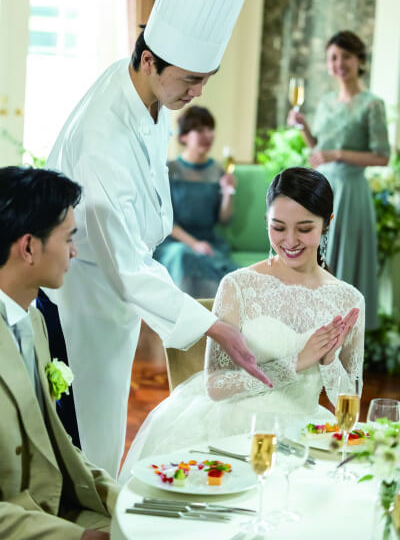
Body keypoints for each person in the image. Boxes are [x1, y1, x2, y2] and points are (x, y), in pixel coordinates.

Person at [41, 0, 271, 478]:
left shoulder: (150, 95)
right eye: (190, 79)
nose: (197, 92)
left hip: (116, 290)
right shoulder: (103, 135)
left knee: (104, 427)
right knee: (86, 436)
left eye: (205, 79)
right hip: (84, 296)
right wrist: (213, 326)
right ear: (149, 60)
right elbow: (124, 262)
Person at [119, 167, 364, 479]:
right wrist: (296, 362)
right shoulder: (238, 286)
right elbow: (216, 386)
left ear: (327, 223)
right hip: (232, 429)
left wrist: (329, 360)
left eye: (304, 229)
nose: (290, 241)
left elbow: (349, 402)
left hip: (303, 435)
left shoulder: (348, 300)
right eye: (278, 227)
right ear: (266, 221)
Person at [0, 166, 119, 540]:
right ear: (29, 247)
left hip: (56, 507)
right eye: (68, 238)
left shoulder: (33, 319)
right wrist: (77, 538)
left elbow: (56, 444)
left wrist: (129, 501)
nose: (74, 251)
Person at [288, 30, 390, 330]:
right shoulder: (326, 102)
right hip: (323, 189)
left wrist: (337, 154)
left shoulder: (372, 104)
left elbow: (382, 157)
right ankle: (317, 327)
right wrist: (304, 128)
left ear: (360, 60)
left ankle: (347, 331)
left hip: (351, 191)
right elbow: (319, 150)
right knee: (320, 254)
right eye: (333, 57)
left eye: (346, 56)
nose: (339, 63)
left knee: (345, 258)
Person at [154, 105, 237, 298]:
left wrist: (228, 193)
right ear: (183, 136)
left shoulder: (218, 171)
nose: (208, 135)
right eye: (199, 130)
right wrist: (194, 244)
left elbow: (225, 220)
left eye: (210, 129)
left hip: (209, 242)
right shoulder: (169, 170)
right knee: (183, 255)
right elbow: (165, 219)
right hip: (175, 242)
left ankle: (213, 312)